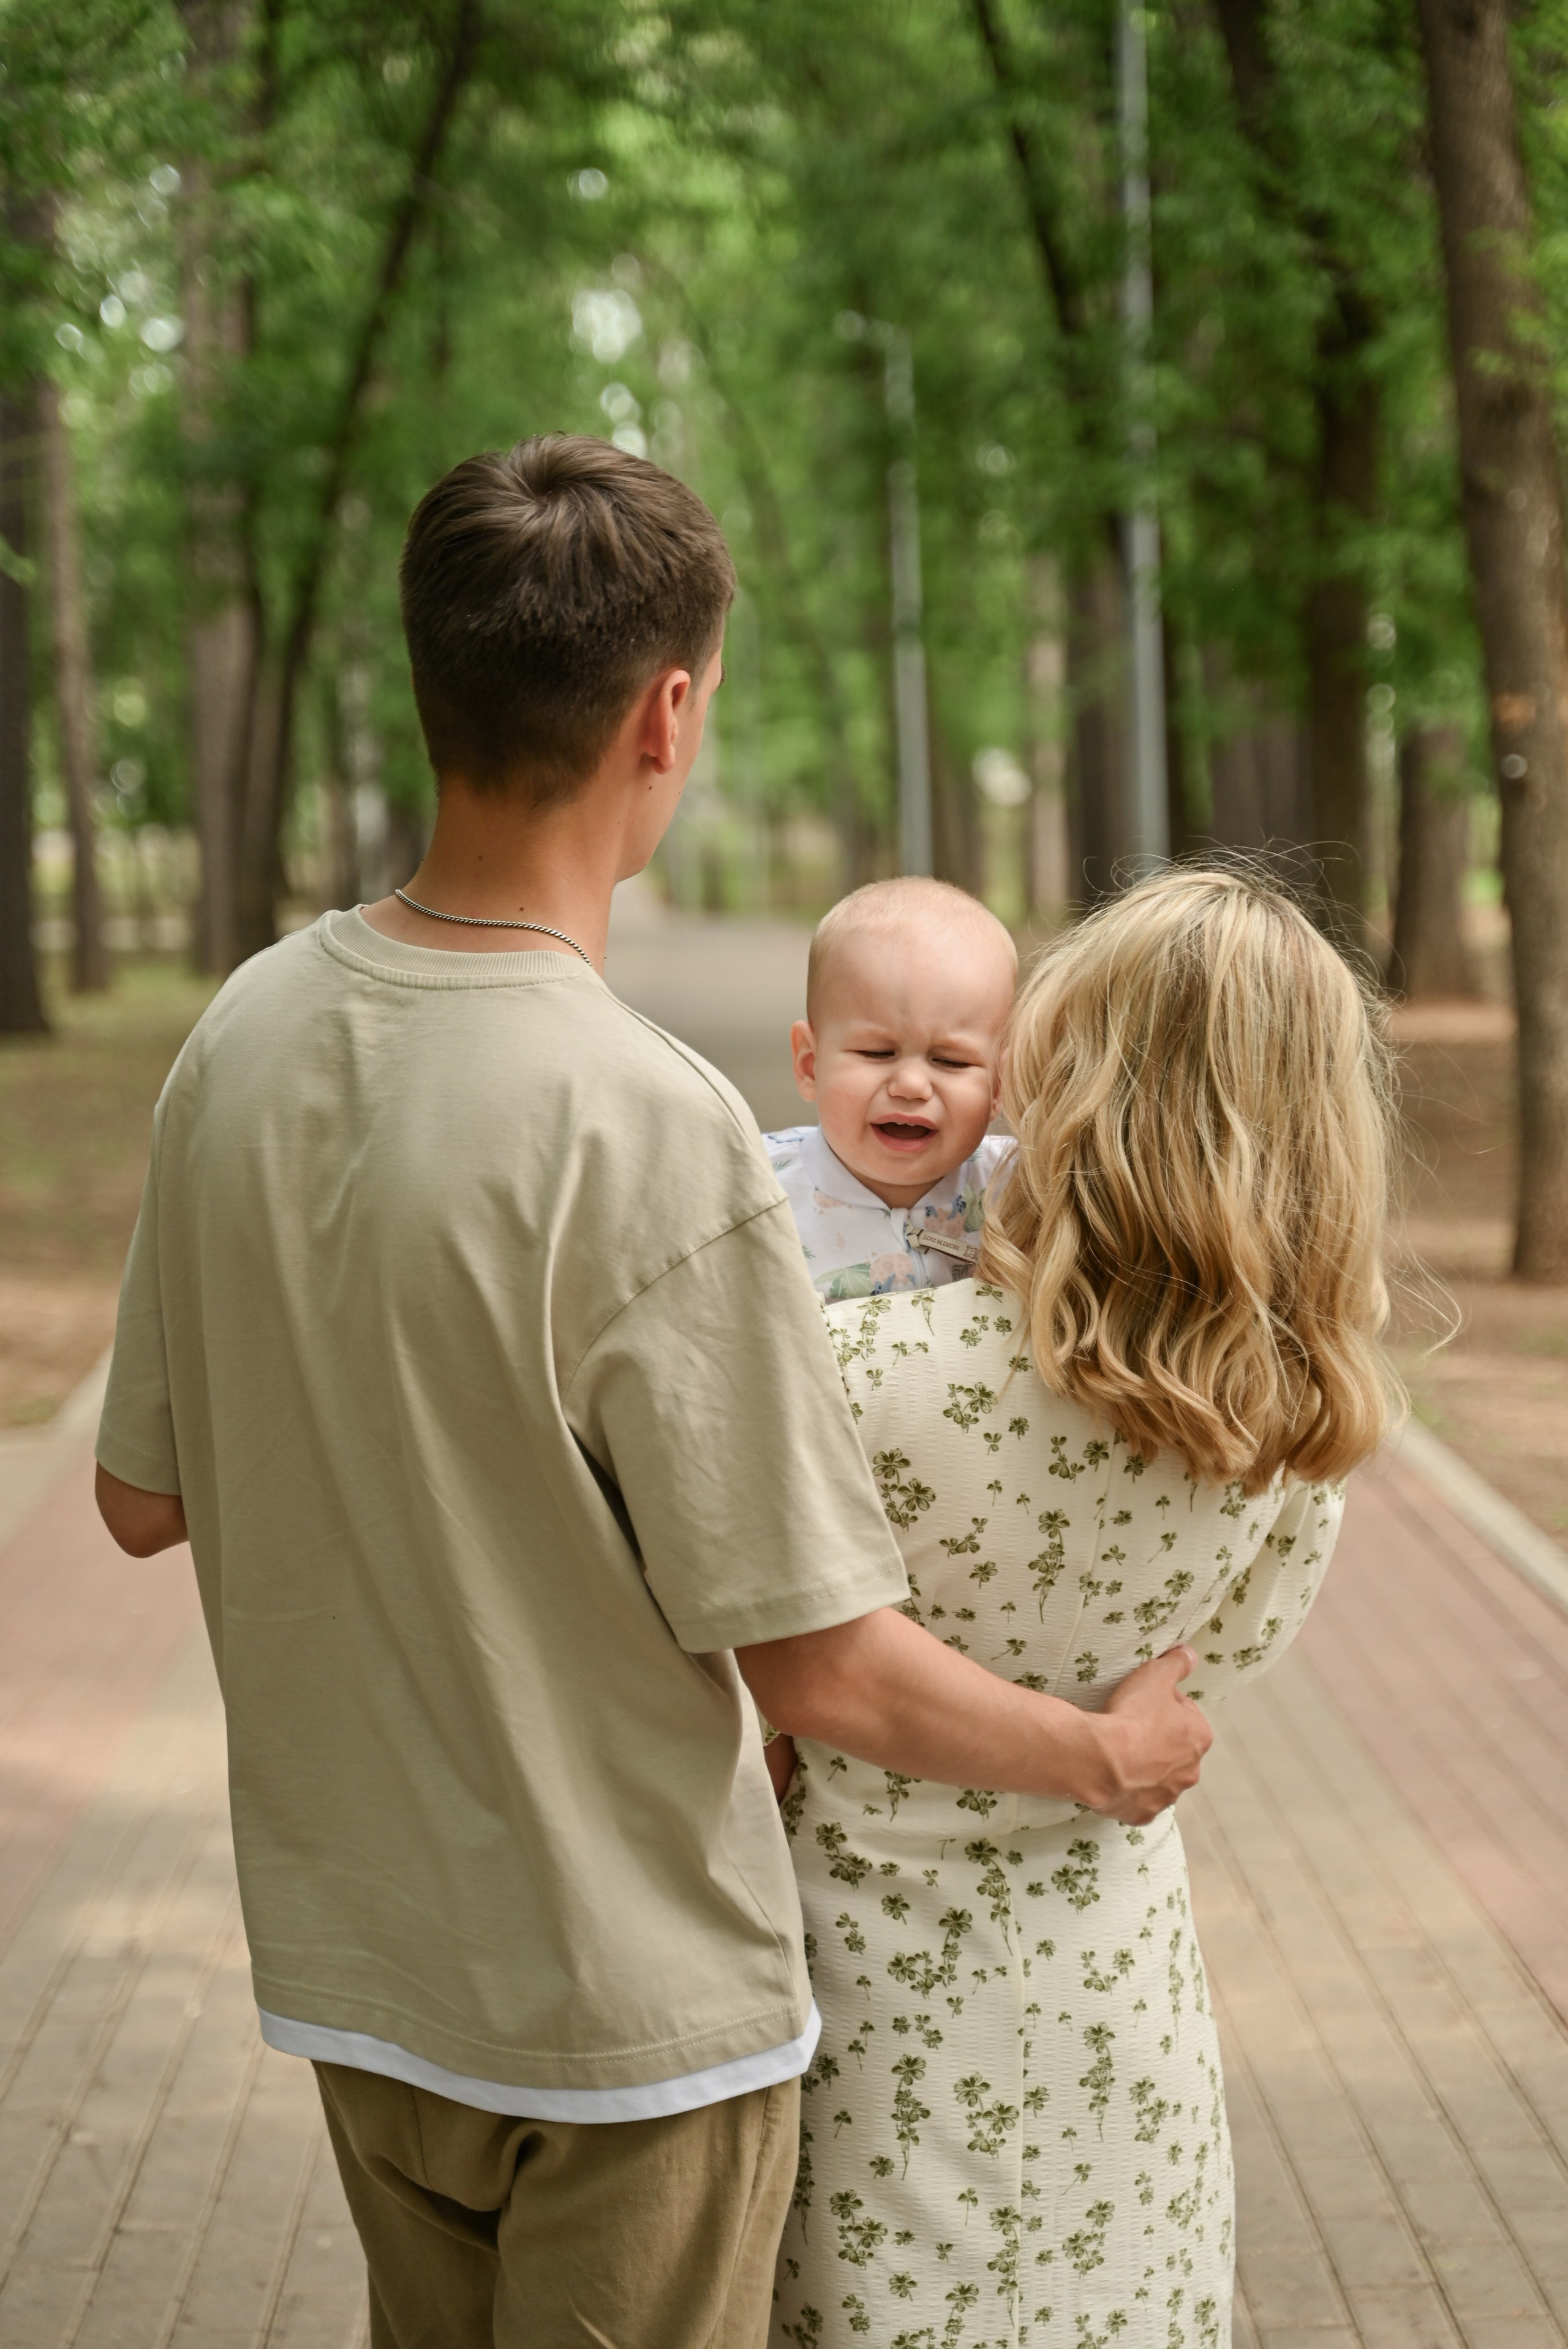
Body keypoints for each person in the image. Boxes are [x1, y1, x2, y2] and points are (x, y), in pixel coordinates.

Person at [92, 436, 1213, 2349]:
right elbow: (824, 1668)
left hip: (361, 1983)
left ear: (429, 676)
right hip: (622, 2027)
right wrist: (1100, 1758)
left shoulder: (244, 1033)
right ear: (667, 710)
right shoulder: (650, 1124)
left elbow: (138, 1496)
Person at [772, 867, 1397, 2349]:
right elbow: (1216, 1660)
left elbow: (733, 1639)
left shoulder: (854, 1374)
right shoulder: (1288, 1414)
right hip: (1114, 2006)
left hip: (868, 2015)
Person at [764, 879, 1016, 1300]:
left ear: (997, 1087)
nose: (912, 1086)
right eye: (878, 1052)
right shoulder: (756, 1192)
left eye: (951, 1060)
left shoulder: (1021, 1196)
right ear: (810, 1064)